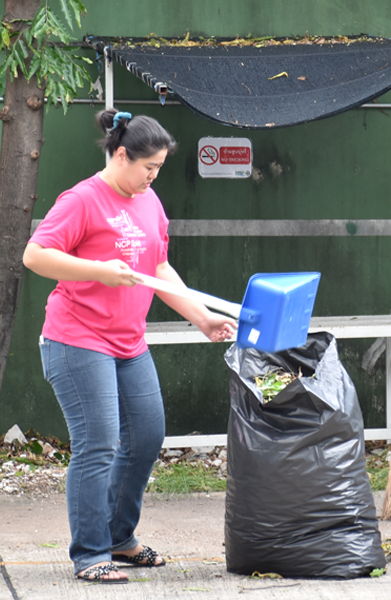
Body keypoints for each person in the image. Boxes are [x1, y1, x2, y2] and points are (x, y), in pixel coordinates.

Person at [23, 109, 237, 584]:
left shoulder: (149, 201)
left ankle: (119, 539)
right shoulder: (82, 199)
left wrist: (202, 318)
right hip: (76, 339)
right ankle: (90, 553)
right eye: (148, 167)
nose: (152, 177)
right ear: (121, 154)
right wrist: (99, 270)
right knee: (98, 443)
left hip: (128, 341)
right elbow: (35, 254)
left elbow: (158, 269)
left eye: (158, 168)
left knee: (146, 436)